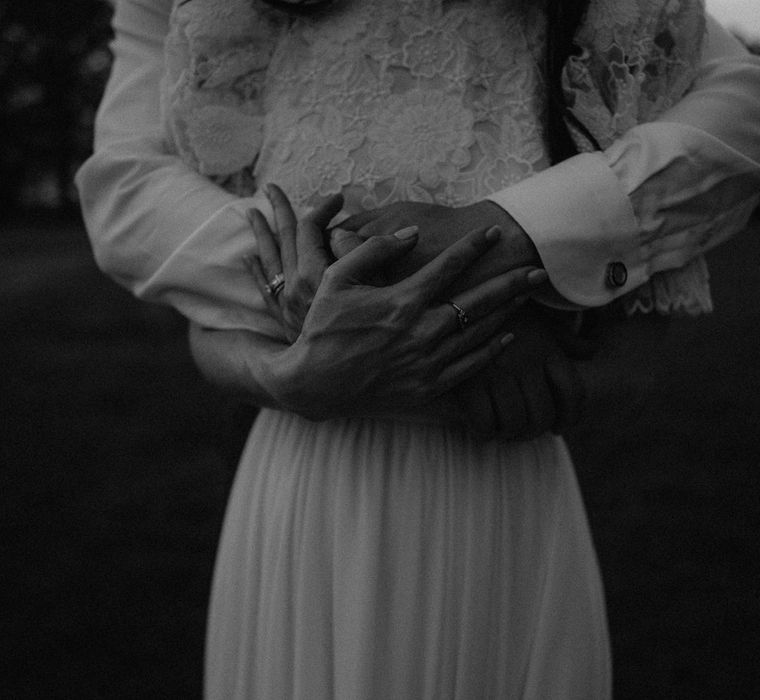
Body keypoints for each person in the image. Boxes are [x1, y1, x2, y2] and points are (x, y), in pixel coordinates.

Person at [76, 0, 760, 696]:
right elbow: (127, 191)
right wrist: (360, 300)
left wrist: (517, 234)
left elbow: (742, 110)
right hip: (303, 465)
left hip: (496, 479)